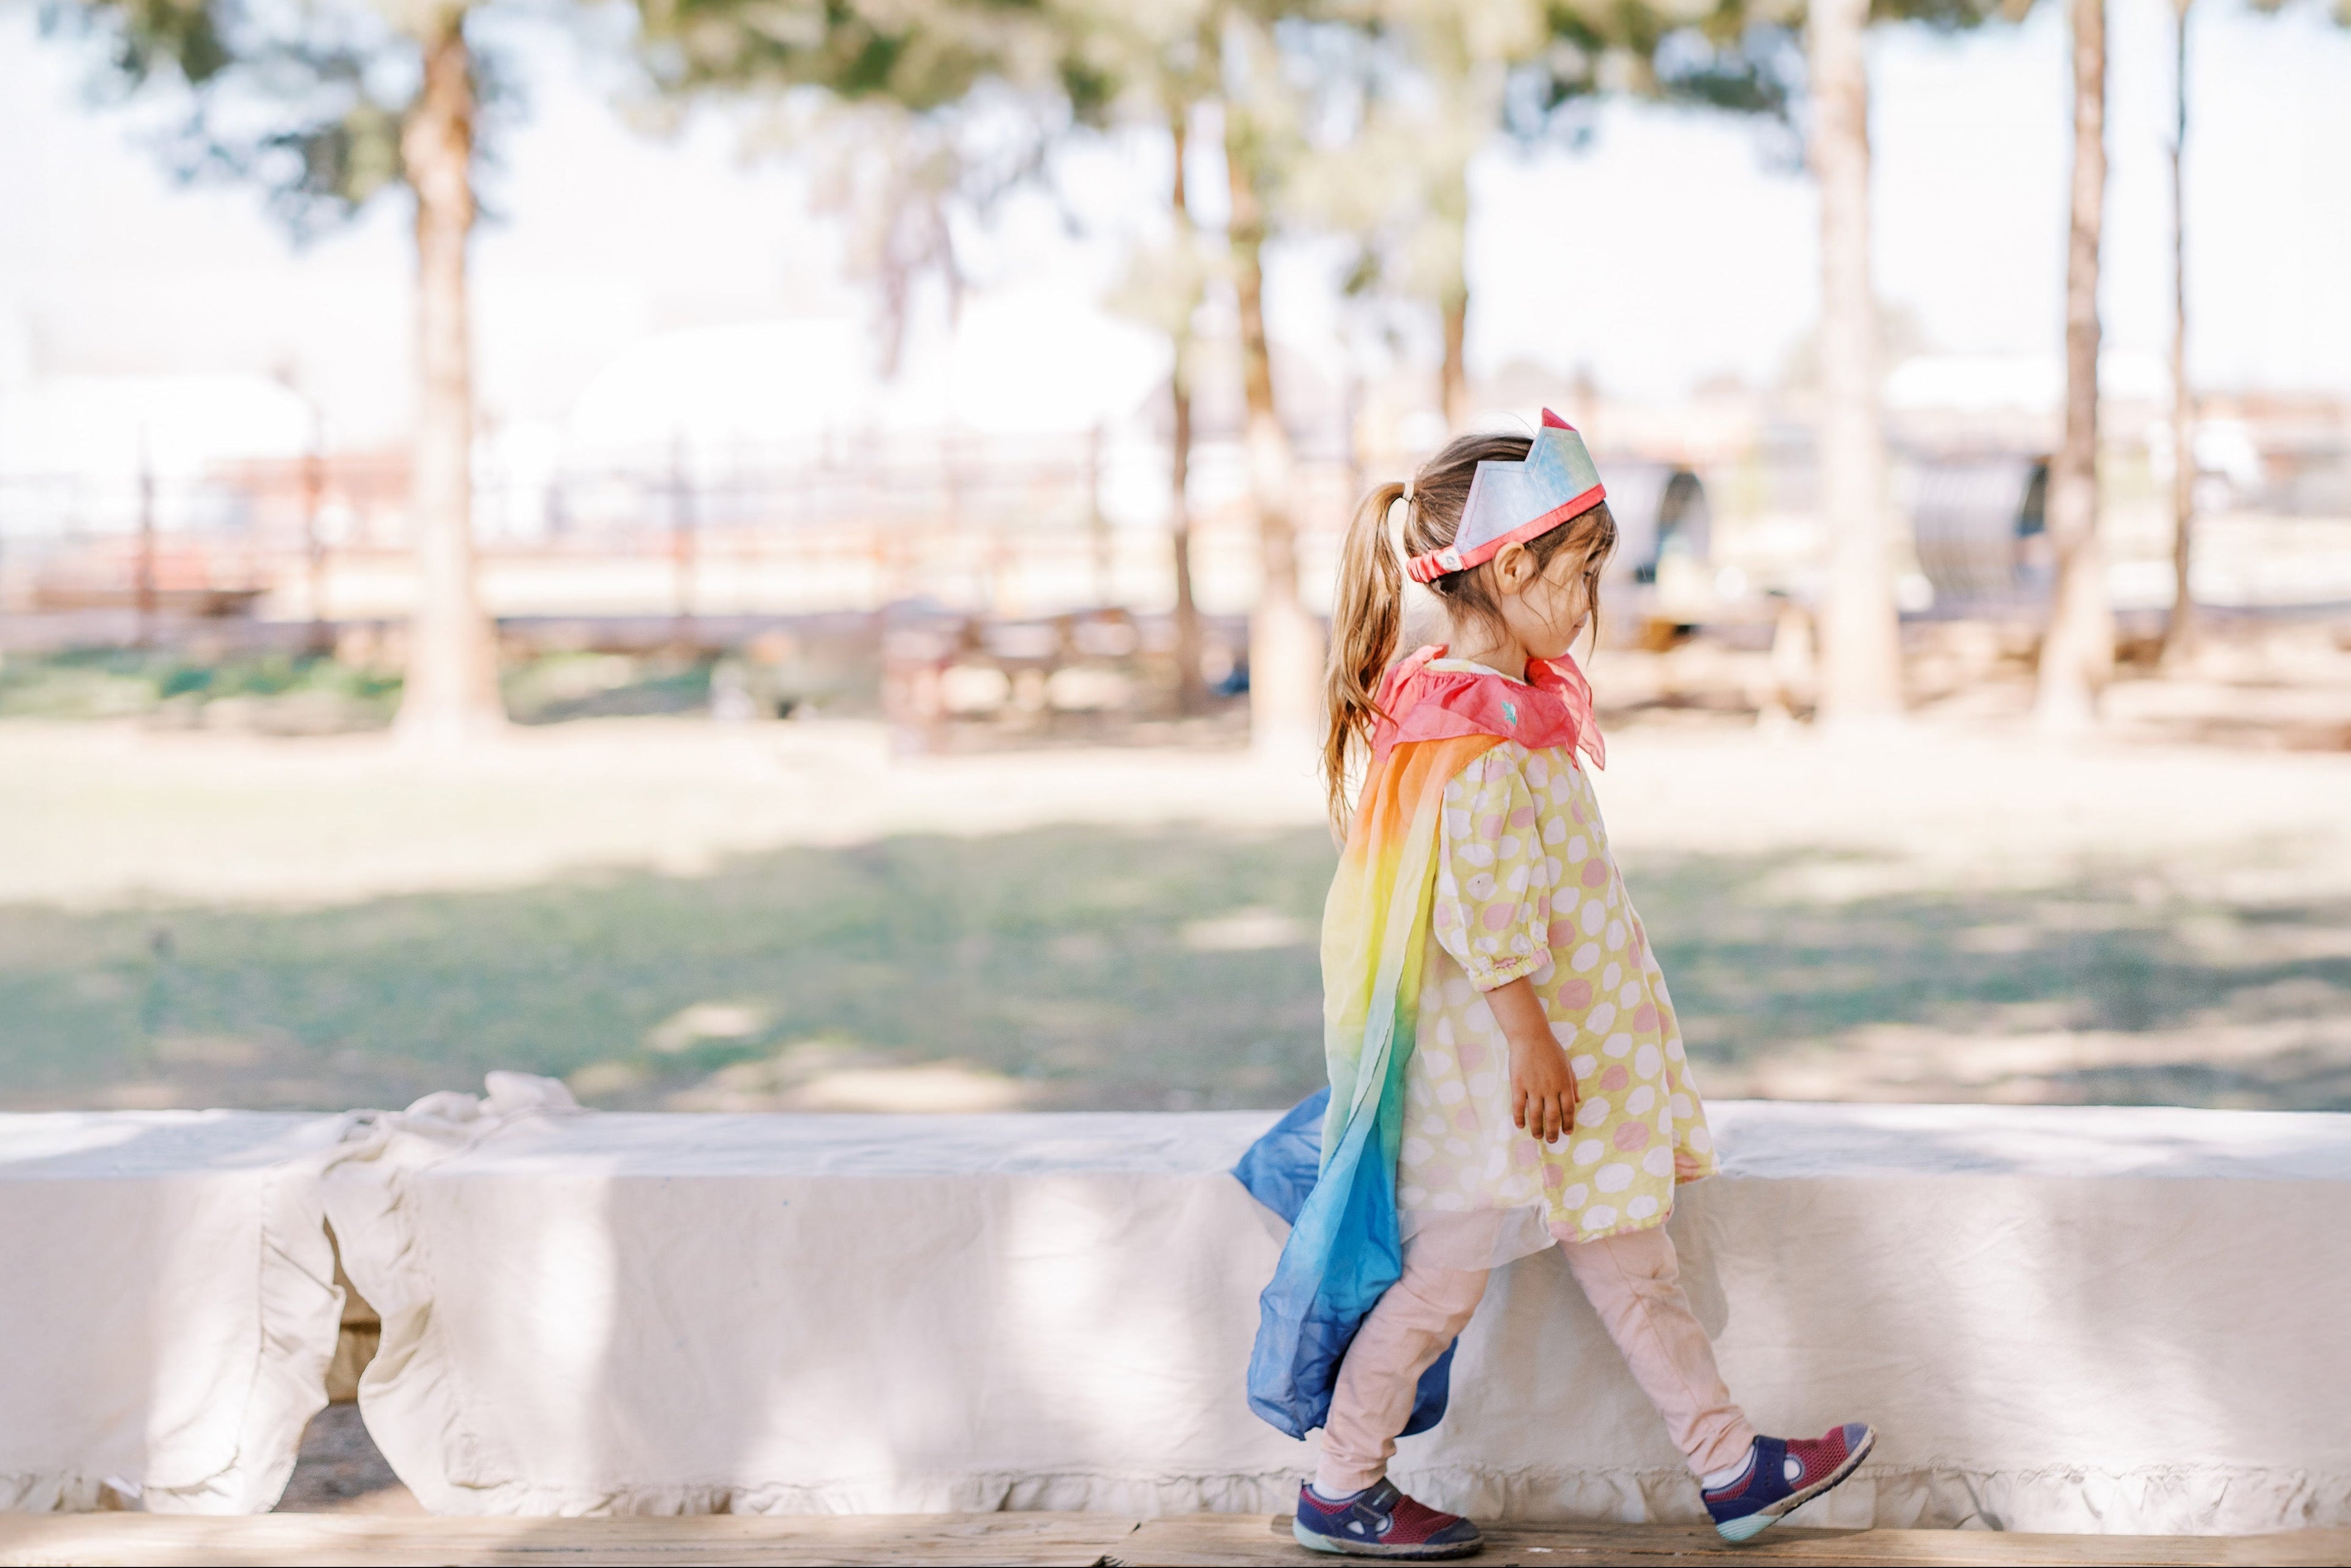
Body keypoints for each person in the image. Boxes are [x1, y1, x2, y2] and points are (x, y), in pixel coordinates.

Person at [1248, 416, 1873, 1559]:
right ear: (1515, 566)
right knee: (1442, 1289)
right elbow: (1485, 918)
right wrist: (1534, 1045)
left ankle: (1732, 1466)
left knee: (1639, 1270)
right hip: (1519, 1093)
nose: (1594, 599)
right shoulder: (1480, 742)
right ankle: (1341, 1483)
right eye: (1583, 571)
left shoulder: (1501, 709)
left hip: (1560, 1080)